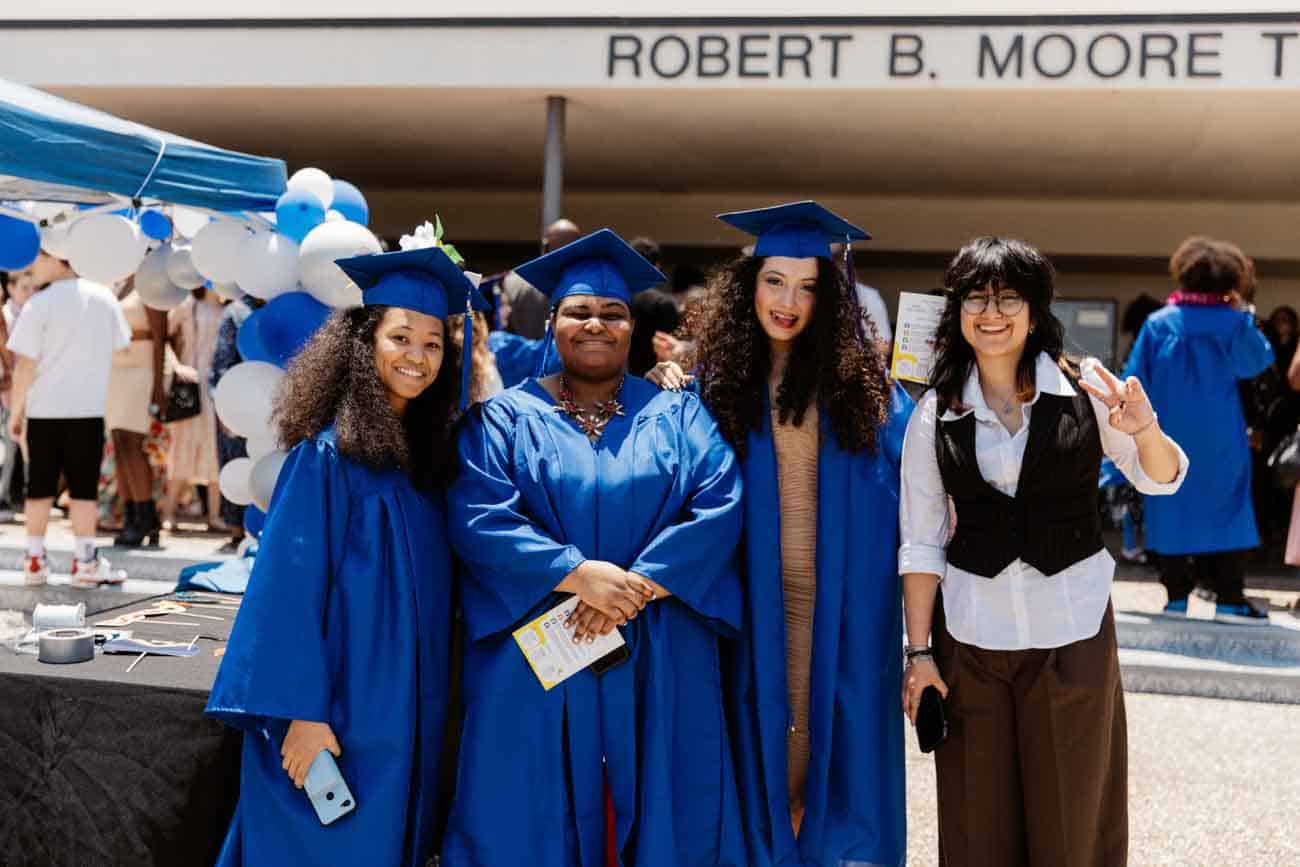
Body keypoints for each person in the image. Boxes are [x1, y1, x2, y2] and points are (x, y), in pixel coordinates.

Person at [442, 229, 747, 867]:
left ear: (632, 328)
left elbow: (719, 500)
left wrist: (632, 588)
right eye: (580, 311)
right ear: (552, 322)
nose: (596, 324)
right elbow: (479, 516)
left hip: (659, 634)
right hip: (543, 637)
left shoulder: (679, 414)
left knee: (668, 796)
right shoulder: (502, 420)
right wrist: (578, 576)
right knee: (531, 805)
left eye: (613, 313)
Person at [899, 237, 1186, 867]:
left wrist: (1147, 429)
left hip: (1072, 635)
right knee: (977, 827)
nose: (992, 311)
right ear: (958, 311)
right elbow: (920, 543)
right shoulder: (934, 414)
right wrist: (919, 655)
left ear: (1035, 311)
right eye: (976, 296)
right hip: (971, 639)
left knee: (1072, 825)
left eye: (1009, 297)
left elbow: (1158, 476)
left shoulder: (1087, 392)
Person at [206, 241, 489, 866]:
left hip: (410, 710)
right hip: (342, 709)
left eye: (433, 344)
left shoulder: (430, 465)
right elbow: (285, 591)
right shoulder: (326, 458)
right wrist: (301, 715)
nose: (418, 356)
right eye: (401, 338)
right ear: (365, 344)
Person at [649, 201, 911, 866]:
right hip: (750, 609)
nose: (788, 301)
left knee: (834, 754)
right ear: (748, 285)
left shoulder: (868, 389)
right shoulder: (711, 386)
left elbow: (923, 485)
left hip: (844, 612)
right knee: (759, 752)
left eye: (807, 286)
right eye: (774, 281)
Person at [1124, 236, 1274, 624]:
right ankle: (1228, 598)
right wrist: (1243, 310)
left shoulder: (1159, 323)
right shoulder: (1234, 322)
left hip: (1168, 435)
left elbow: (1134, 379)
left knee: (1169, 506)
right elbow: (1255, 363)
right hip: (1222, 438)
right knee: (1228, 509)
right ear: (1229, 279)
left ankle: (1176, 598)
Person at [7, 250, 131, 586]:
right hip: (87, 408)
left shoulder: (39, 304)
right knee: (83, 489)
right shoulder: (103, 297)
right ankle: (85, 561)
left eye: (41, 257)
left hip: (45, 409)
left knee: (40, 487)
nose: (34, 264)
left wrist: (15, 414)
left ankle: (34, 560)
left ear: (61, 259)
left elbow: (25, 367)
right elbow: (123, 350)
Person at [105, 281, 169, 546]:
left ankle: (144, 515)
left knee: (132, 444)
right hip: (115, 368)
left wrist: (157, 386)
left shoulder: (152, 280)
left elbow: (160, 338)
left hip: (141, 367)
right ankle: (133, 515)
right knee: (119, 443)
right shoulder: (116, 281)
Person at [162, 287, 227, 531]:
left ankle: (214, 514)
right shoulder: (188, 305)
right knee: (183, 443)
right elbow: (164, 337)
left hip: (216, 384)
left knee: (213, 445)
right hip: (190, 383)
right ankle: (168, 511)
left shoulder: (228, 308)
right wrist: (176, 366)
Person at [209, 293, 264, 552]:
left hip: (276, 401)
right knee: (236, 461)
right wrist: (222, 406)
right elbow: (221, 364)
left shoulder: (294, 302)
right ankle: (236, 529)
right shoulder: (237, 312)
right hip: (240, 400)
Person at [504, 218, 583, 339]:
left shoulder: (514, 280)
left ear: (544, 247)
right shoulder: (588, 285)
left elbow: (503, 327)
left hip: (523, 354)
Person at [626, 236, 681, 376]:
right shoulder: (663, 303)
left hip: (620, 381)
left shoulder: (618, 299)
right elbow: (670, 347)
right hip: (658, 379)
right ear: (657, 266)